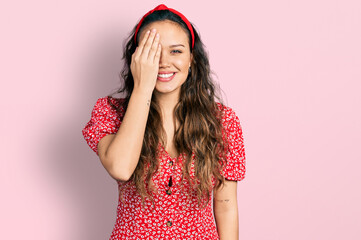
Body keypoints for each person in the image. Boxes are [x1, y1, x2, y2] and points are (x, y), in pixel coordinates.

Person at [82, 4, 246, 239]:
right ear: (136, 59)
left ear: (192, 59)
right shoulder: (109, 112)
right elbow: (121, 168)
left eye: (176, 51)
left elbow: (226, 206)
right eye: (152, 52)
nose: (163, 62)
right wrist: (142, 87)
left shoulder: (222, 121)